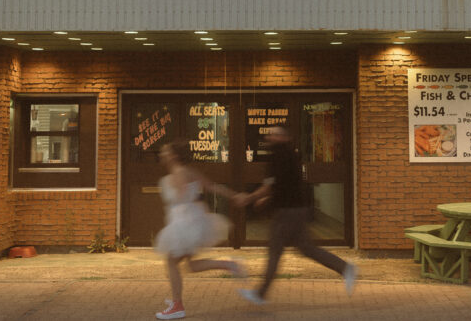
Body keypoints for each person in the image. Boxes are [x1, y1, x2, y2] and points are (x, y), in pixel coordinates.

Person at [235, 125, 357, 305]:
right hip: (296, 209)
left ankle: (260, 294)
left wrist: (250, 198)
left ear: (284, 137)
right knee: (307, 249)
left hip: (287, 213)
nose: (270, 137)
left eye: (274, 134)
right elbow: (282, 184)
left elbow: (271, 184)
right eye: (270, 134)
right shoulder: (290, 154)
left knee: (275, 250)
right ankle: (345, 268)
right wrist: (267, 198)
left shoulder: (278, 156)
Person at [153, 138, 246, 320]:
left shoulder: (178, 173)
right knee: (190, 265)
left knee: (172, 262)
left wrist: (183, 199)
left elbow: (183, 198)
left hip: (184, 222)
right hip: (191, 220)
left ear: (173, 155)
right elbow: (212, 186)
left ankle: (177, 305)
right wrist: (235, 196)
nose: (162, 154)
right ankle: (229, 265)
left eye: (165, 151)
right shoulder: (188, 171)